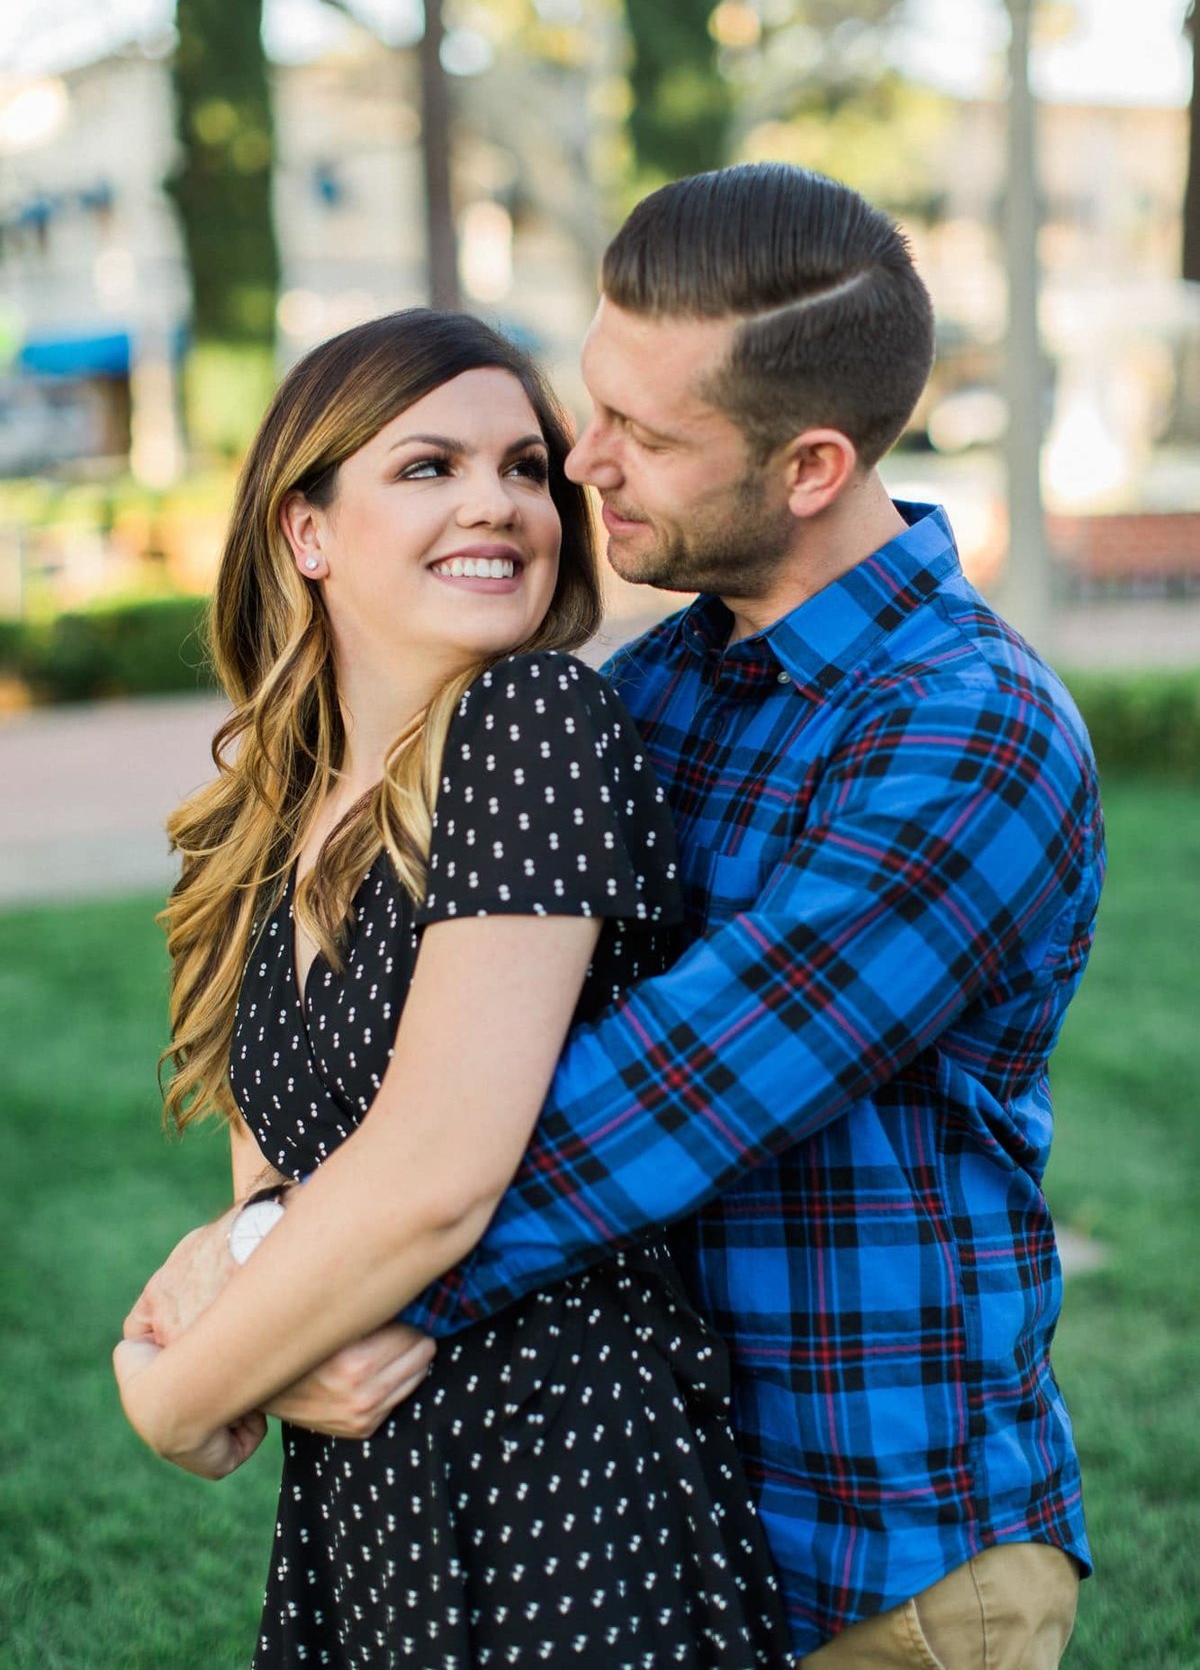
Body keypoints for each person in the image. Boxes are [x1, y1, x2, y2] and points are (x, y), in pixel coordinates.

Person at [124, 162, 1103, 1668]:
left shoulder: (969, 737)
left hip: (881, 1555)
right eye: (593, 404)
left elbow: (636, 1115)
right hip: (642, 1491)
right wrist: (280, 1244)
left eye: (640, 435)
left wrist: (258, 1314)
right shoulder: (644, 696)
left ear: (811, 466)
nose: (580, 466)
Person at [112, 307, 794, 1669]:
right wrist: (259, 1276)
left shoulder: (533, 723)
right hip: (363, 1480)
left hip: (563, 1482)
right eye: (430, 467)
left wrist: (174, 1394)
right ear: (306, 532)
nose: (499, 502)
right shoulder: (279, 813)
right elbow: (277, 1178)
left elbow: (436, 1173)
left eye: (527, 468)